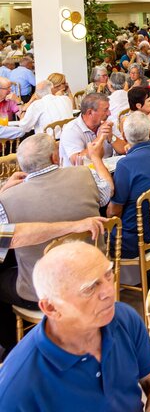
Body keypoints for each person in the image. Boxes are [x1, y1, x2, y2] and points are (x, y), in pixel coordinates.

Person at [0, 242, 150, 412]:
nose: (109, 291)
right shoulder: (17, 389)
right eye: (89, 288)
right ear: (51, 308)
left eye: (108, 275)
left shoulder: (123, 317)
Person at [0, 133, 112, 351]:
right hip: (93, 274)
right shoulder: (85, 174)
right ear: (54, 157)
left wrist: (3, 193)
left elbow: (6, 241)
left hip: (43, 292)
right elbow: (107, 194)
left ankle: (18, 349)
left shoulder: (7, 201)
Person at [107, 112, 150, 259]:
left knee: (97, 232)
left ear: (124, 137)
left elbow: (113, 213)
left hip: (137, 241)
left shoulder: (125, 165)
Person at [59, 93, 127, 166]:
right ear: (90, 112)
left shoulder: (106, 122)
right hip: (82, 172)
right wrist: (99, 139)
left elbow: (124, 149)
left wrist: (111, 136)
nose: (109, 113)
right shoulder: (71, 130)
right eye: (105, 110)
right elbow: (76, 161)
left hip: (106, 169)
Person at [107, 72, 129, 137]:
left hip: (114, 134)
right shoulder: (130, 97)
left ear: (110, 85)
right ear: (125, 84)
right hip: (130, 132)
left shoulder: (107, 101)